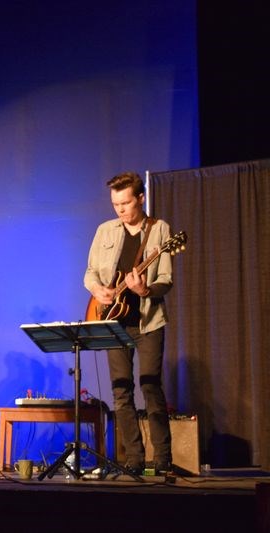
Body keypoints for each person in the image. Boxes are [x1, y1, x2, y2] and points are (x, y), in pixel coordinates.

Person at [84, 171, 174, 475]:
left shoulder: (159, 230)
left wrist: (144, 290)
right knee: (121, 390)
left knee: (150, 385)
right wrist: (99, 291)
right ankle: (133, 457)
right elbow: (89, 274)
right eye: (115, 204)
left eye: (125, 203)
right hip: (113, 321)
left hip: (148, 322)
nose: (120, 209)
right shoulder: (105, 231)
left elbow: (166, 280)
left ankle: (162, 457)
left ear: (140, 198)